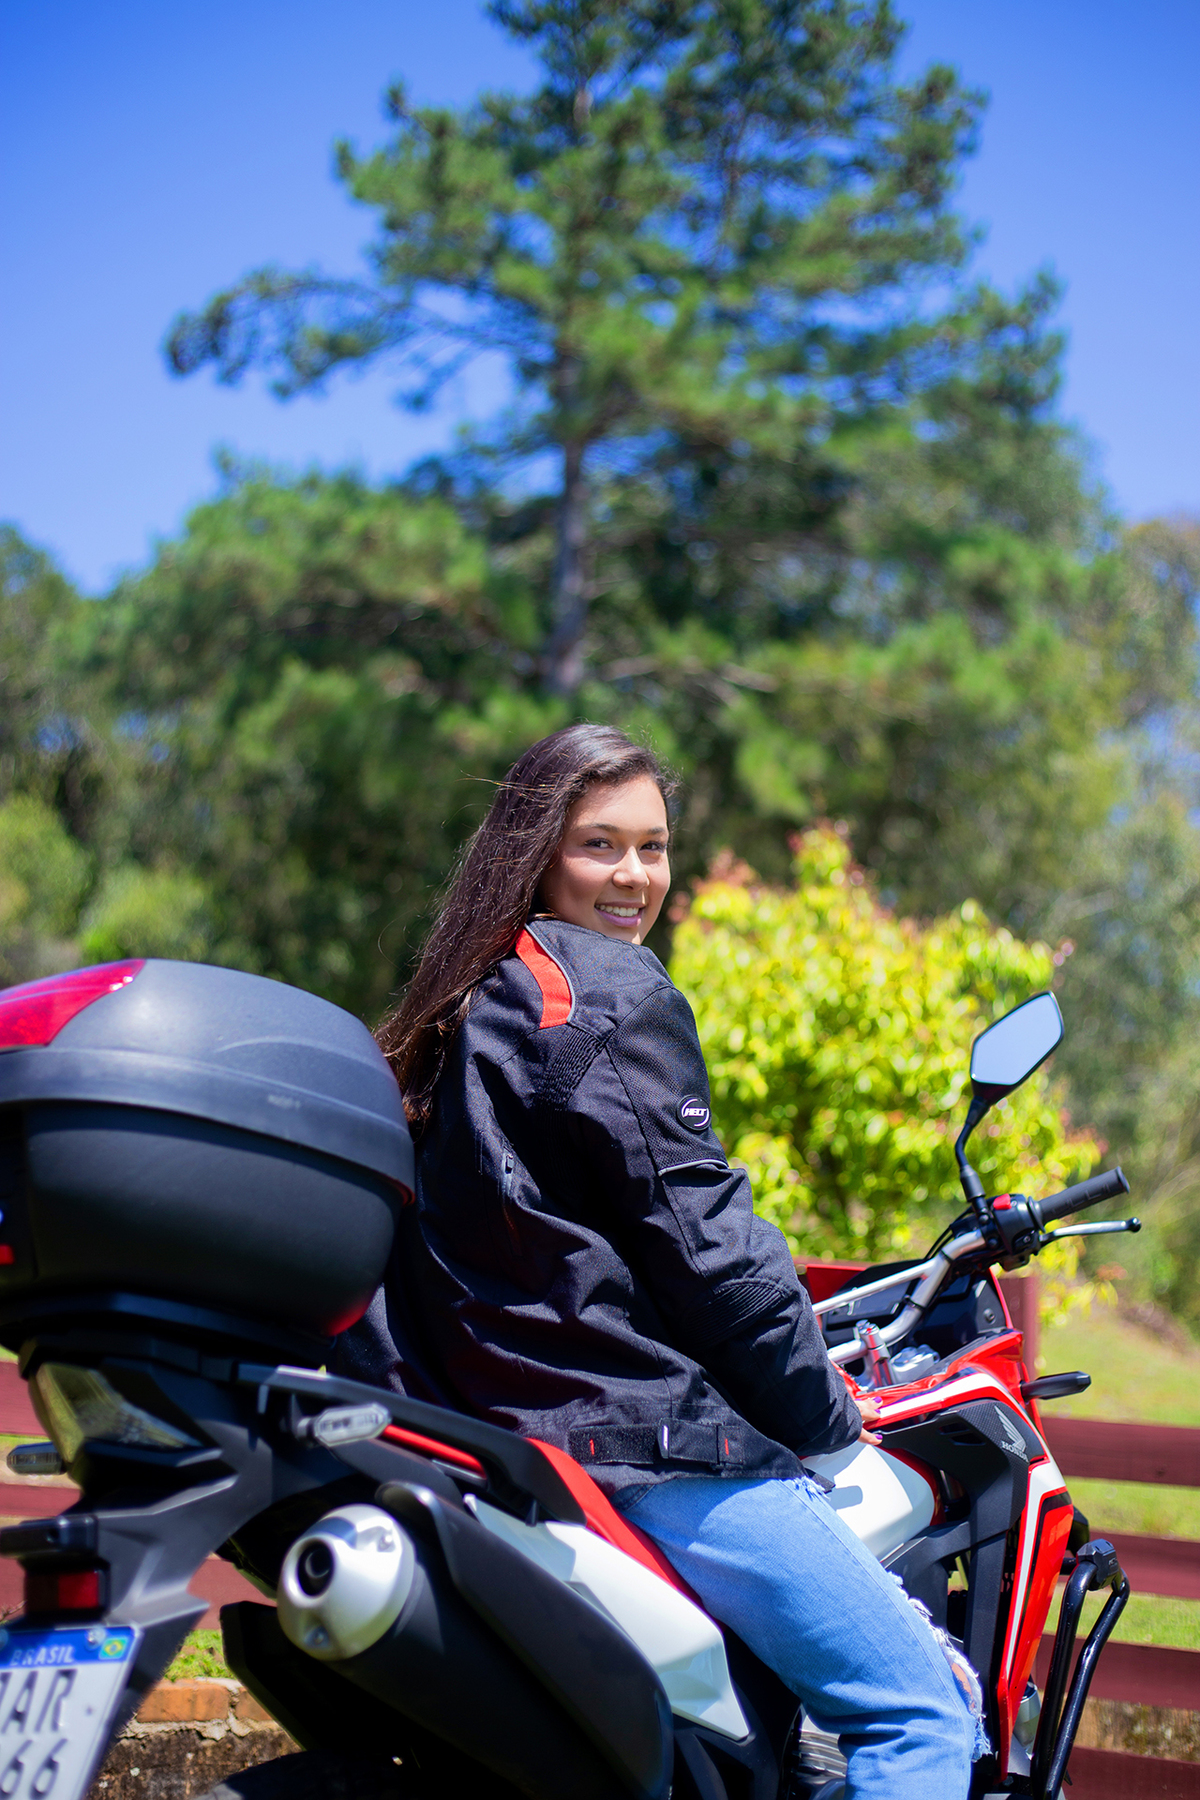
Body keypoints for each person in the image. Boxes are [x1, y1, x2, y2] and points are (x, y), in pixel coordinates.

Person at [339, 723, 976, 1799]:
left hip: (501, 1443)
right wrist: (826, 1420)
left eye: (654, 846)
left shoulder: (459, 1010)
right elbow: (710, 1245)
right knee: (919, 1717)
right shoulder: (605, 993)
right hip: (641, 1447)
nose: (635, 876)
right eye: (601, 845)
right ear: (537, 853)